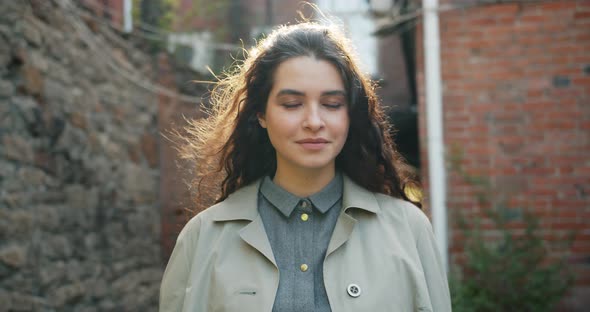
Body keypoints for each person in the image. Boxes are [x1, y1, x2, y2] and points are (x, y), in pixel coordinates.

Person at [159, 21, 451, 312]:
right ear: (261, 113)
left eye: (332, 104)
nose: (314, 121)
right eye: (292, 104)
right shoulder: (202, 237)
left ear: (351, 114)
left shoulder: (408, 231)